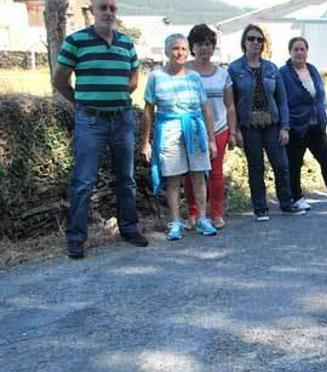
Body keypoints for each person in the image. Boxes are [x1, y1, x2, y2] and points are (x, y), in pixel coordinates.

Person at [52, 0, 148, 258]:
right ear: (92, 11)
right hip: (91, 121)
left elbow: (134, 78)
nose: (108, 13)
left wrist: (116, 96)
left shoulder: (126, 43)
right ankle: (76, 239)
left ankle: (129, 228)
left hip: (122, 119)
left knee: (126, 179)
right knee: (84, 180)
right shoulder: (76, 41)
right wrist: (81, 103)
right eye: (102, 8)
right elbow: (59, 80)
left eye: (112, 9)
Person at [141, 34, 218, 240]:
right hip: (169, 130)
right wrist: (146, 142)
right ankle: (175, 221)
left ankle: (202, 218)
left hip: (194, 129)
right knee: (173, 178)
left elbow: (206, 109)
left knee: (199, 175)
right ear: (167, 52)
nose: (180, 53)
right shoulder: (156, 77)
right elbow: (148, 110)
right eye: (175, 49)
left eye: (183, 49)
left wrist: (211, 139)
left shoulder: (194, 78)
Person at [228, 24, 293, 222]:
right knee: (256, 167)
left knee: (281, 165)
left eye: (259, 39)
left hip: (272, 123)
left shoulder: (272, 68)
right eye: (251, 38)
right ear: (244, 42)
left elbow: (282, 100)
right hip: (250, 126)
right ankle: (260, 207)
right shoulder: (234, 69)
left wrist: (284, 127)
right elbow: (231, 102)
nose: (255, 42)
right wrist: (236, 129)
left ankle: (286, 203)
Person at [280, 37, 327, 215]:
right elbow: (282, 101)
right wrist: (285, 125)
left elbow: (321, 96)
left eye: (302, 49)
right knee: (294, 163)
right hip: (296, 126)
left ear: (307, 52)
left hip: (316, 124)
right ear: (290, 51)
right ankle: (296, 197)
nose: (299, 53)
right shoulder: (284, 74)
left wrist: (323, 117)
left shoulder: (312, 69)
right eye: (296, 49)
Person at [183, 24, 237, 230]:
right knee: (192, 173)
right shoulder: (185, 72)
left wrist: (232, 132)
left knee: (216, 172)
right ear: (192, 47)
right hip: (192, 130)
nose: (204, 48)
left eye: (208, 44)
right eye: (199, 44)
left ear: (213, 47)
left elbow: (230, 105)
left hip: (220, 129)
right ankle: (195, 213)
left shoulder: (222, 74)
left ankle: (216, 213)